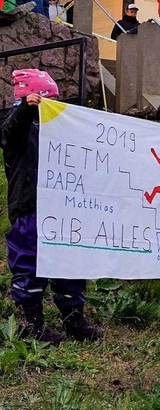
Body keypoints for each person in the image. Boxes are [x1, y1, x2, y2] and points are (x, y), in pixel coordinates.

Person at [0, 69, 104, 344]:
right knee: (29, 265)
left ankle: (74, 318)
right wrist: (25, 110)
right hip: (30, 210)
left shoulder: (61, 127)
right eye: (48, 99)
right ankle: (29, 322)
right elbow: (11, 134)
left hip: (64, 209)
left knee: (70, 263)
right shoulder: (16, 124)